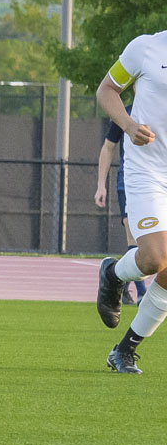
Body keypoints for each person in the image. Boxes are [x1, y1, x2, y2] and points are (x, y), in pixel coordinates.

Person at [94, 30, 167, 374]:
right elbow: (106, 90)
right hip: (147, 170)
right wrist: (127, 123)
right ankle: (113, 273)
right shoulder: (146, 47)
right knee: (155, 258)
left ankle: (124, 350)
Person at [95, 99, 146, 305]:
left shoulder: (161, 110)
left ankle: (119, 282)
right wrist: (101, 185)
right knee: (133, 237)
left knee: (156, 248)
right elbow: (108, 147)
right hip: (129, 181)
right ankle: (143, 294)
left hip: (158, 184)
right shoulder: (124, 114)